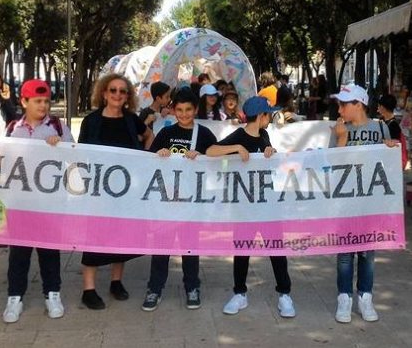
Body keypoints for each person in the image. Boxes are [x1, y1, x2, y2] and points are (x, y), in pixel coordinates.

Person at [207, 96, 296, 319]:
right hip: (245, 207)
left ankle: (284, 294)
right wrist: (236, 148)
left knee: (277, 250)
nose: (271, 117)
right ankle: (240, 293)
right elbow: (210, 151)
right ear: (261, 116)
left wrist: (270, 151)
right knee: (242, 250)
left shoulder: (265, 134)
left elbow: (269, 152)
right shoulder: (239, 135)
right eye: (268, 114)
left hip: (268, 205)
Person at [77, 73, 154, 310]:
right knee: (93, 236)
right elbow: (80, 153)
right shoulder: (91, 121)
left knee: (120, 236)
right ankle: (88, 289)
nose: (118, 95)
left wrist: (144, 158)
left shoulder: (132, 120)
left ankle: (116, 282)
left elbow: (149, 136)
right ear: (104, 93)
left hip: (126, 189)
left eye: (122, 91)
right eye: (113, 90)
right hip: (98, 189)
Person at [1, 80, 74, 324]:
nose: (43, 106)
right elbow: (2, 159)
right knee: (19, 253)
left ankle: (52, 294)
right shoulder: (13, 128)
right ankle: (15, 297)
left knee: (49, 251)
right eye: (38, 101)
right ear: (24, 102)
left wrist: (60, 146)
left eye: (46, 101)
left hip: (50, 202)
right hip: (20, 201)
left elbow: (75, 155)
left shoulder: (57, 126)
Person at [142, 88, 219, 312]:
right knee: (161, 248)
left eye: (188, 110)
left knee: (190, 248)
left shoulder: (204, 135)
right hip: (166, 202)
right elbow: (149, 161)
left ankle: (192, 287)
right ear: (173, 110)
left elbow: (217, 164)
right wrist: (160, 155)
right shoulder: (165, 133)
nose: (184, 114)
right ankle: (154, 289)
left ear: (195, 110)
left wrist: (203, 157)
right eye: (179, 110)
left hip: (192, 204)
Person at [330, 85, 399, 324]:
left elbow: (389, 168)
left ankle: (365, 297)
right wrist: (340, 139)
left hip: (371, 203)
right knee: (345, 255)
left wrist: (390, 149)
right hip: (345, 201)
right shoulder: (339, 128)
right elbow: (331, 166)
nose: (340, 109)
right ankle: (344, 298)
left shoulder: (380, 128)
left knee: (367, 253)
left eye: (343, 104)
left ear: (358, 104)